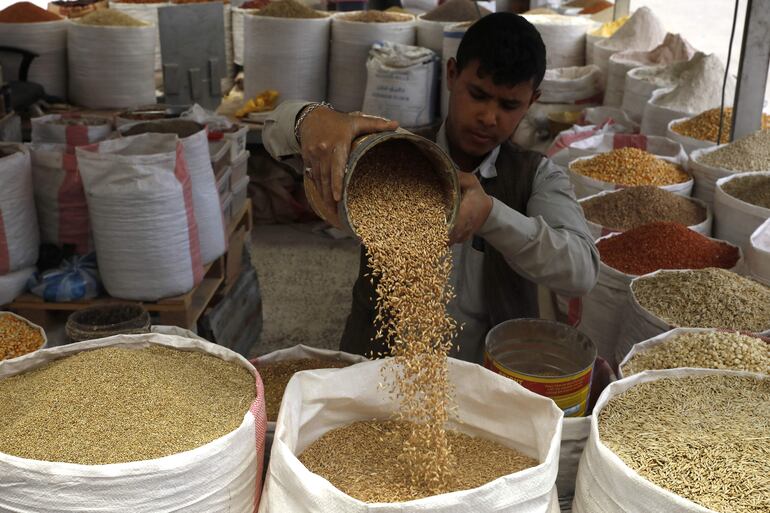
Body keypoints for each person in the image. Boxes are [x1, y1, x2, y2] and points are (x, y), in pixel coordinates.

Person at [263, 12, 599, 363]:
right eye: (478, 94)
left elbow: (582, 272)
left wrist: (492, 216)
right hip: (377, 364)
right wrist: (310, 119)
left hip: (487, 376)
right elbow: (274, 131)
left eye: (508, 105)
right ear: (452, 74)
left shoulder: (536, 176)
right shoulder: (393, 151)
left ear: (532, 101)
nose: (488, 117)